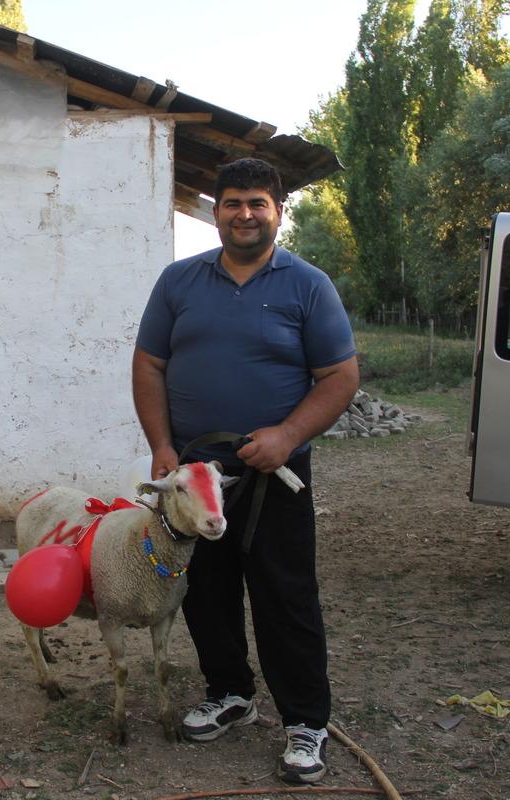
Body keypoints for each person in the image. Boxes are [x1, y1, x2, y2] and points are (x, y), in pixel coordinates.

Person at [131, 157, 359, 783]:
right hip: (195, 474)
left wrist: (287, 435)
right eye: (233, 203)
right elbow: (149, 364)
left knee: (284, 596)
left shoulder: (308, 286)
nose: (245, 214)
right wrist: (161, 447)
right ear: (215, 212)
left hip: (274, 475)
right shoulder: (178, 283)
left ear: (278, 211)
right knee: (205, 590)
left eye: (258, 202)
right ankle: (230, 693)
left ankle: (306, 721)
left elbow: (340, 377)